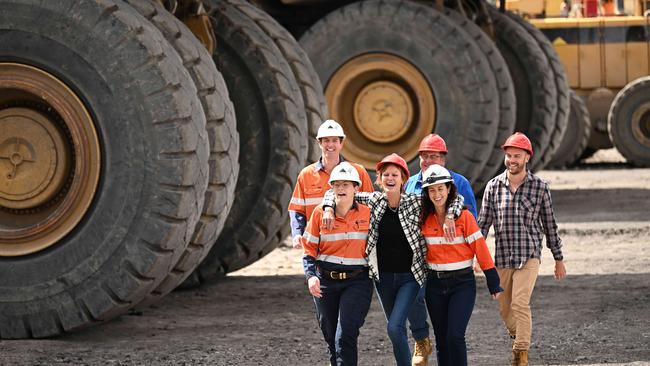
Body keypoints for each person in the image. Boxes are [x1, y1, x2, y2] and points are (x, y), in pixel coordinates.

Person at [323, 154, 464, 366]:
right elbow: (334, 192)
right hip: (383, 279)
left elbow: (454, 199)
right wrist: (328, 208)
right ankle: (417, 345)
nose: (390, 178)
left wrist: (451, 216)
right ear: (379, 179)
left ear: (403, 179)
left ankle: (420, 341)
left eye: (395, 174)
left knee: (394, 327)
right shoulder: (374, 201)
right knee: (395, 329)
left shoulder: (416, 202)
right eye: (385, 174)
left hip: (411, 276)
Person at [477, 132, 567, 366]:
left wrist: (558, 258)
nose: (511, 160)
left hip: (529, 255)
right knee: (505, 309)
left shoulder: (539, 187)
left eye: (517, 155)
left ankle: (520, 354)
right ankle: (520, 335)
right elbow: (483, 224)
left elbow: (550, 224)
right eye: (508, 155)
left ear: (527, 157)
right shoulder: (493, 186)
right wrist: (477, 255)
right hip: (503, 257)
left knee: (519, 302)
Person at [404, 133, 478, 366]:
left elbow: (471, 221)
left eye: (433, 156)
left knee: (452, 333)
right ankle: (420, 338)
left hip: (453, 264)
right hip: (423, 262)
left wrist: (474, 256)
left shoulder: (460, 183)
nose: (427, 160)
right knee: (415, 302)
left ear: (443, 159)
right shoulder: (411, 184)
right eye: (423, 156)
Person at [420, 164, 503, 366]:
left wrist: (493, 280)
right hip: (434, 285)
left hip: (462, 284)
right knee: (441, 338)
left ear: (449, 189)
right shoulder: (423, 218)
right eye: (432, 190)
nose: (437, 194)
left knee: (455, 336)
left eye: (441, 188)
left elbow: (480, 249)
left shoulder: (464, 217)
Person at [301, 162, 373, 366]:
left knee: (345, 335)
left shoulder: (369, 214)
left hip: (357, 282)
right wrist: (311, 276)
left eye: (346, 185)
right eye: (337, 185)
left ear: (356, 188)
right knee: (331, 337)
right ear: (331, 188)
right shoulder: (319, 214)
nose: (341, 189)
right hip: (326, 282)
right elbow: (309, 249)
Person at [289, 119, 374, 249]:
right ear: (319, 143)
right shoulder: (306, 175)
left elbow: (371, 207)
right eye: (326, 140)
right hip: (316, 243)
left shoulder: (359, 172)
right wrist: (296, 234)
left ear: (341, 143)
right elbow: (297, 209)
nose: (330, 145)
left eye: (335, 140)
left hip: (351, 245)